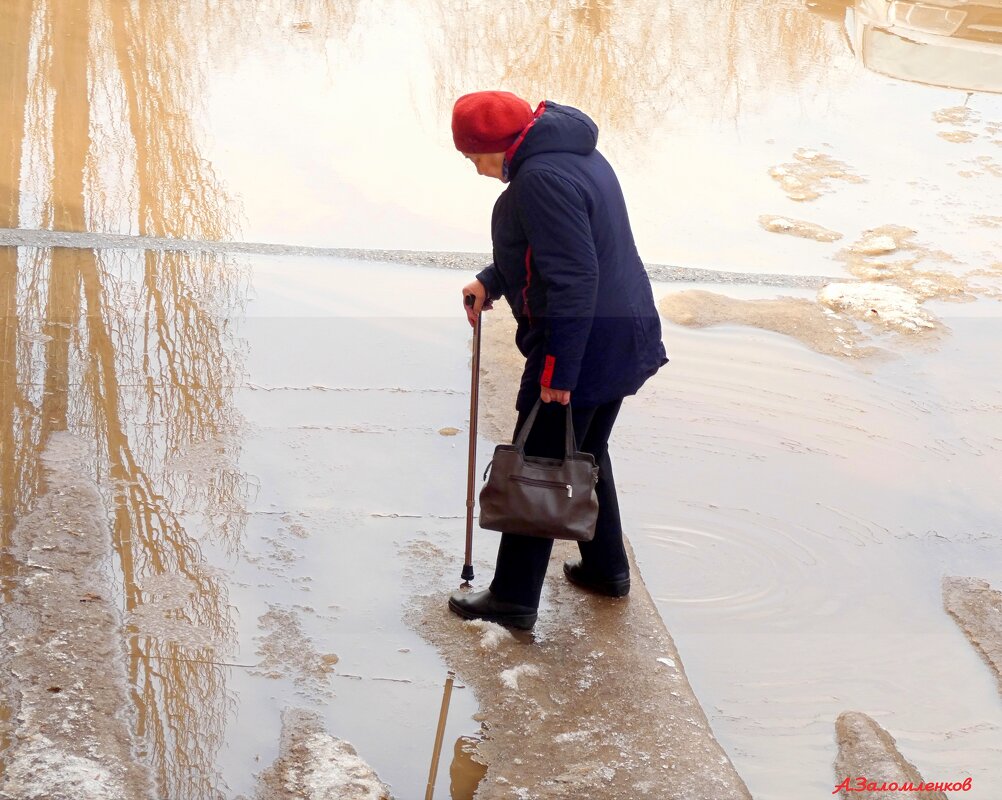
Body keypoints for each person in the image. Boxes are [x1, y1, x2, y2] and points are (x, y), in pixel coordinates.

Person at [449, 90, 667, 630]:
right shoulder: (570, 153)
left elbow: (573, 278)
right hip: (619, 334)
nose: (476, 170)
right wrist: (494, 278)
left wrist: (557, 373)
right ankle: (606, 568)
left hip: (582, 344)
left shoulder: (539, 180)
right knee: (585, 450)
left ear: (498, 145)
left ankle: (513, 599)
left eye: (475, 156)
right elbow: (559, 248)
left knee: (539, 464)